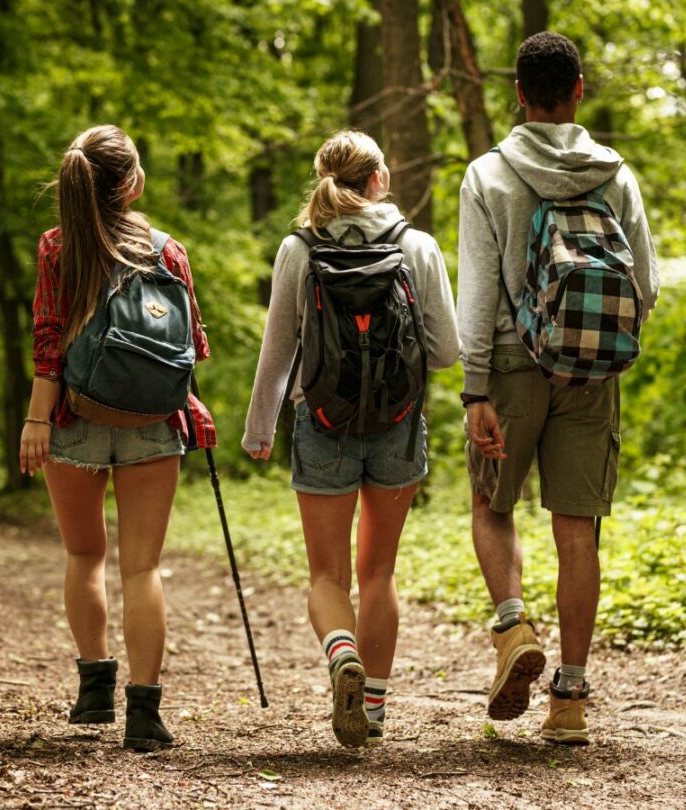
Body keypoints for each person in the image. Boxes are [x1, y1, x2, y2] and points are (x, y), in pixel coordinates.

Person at [457, 32, 660, 745]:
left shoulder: (488, 174)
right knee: (578, 531)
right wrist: (596, 347)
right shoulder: (614, 173)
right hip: (590, 374)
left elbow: (478, 292)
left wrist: (474, 388)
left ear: (519, 94)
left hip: (511, 368)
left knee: (492, 503)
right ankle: (569, 700)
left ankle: (514, 627)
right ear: (578, 91)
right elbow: (646, 284)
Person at [243, 130, 458, 748]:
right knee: (380, 572)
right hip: (397, 425)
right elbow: (446, 352)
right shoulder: (416, 245)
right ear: (379, 179)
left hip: (323, 424)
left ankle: (342, 653)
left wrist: (260, 429)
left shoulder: (299, 247)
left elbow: (278, 351)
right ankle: (376, 710)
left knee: (327, 576)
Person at [20, 124, 215, 752]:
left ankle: (93, 692)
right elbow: (194, 345)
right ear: (131, 183)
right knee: (142, 567)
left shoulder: (58, 246)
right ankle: (145, 714)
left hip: (72, 417)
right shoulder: (168, 251)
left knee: (85, 556)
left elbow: (48, 342)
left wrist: (36, 421)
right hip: (153, 422)